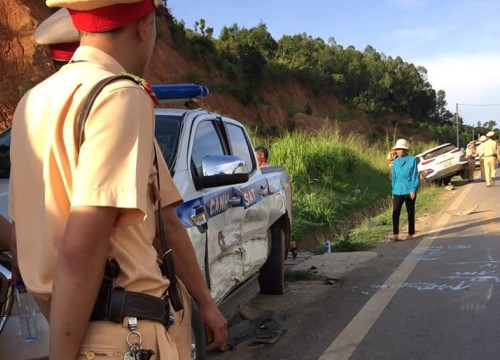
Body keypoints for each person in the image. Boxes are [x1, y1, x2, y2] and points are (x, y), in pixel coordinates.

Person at [9, 1, 226, 359]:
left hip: (74, 328)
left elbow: (23, 234)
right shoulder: (119, 96)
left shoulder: (30, 104)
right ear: (145, 24)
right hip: (124, 334)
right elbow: (83, 249)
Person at [390, 139, 419, 241]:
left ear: (404, 150)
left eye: (399, 149)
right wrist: (393, 191)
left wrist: (413, 189)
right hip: (398, 190)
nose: (397, 151)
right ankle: (395, 234)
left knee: (410, 211)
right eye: (397, 149)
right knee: (395, 212)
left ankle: (410, 233)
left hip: (409, 190)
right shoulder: (395, 162)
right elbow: (394, 178)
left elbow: (415, 176)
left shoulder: (412, 160)